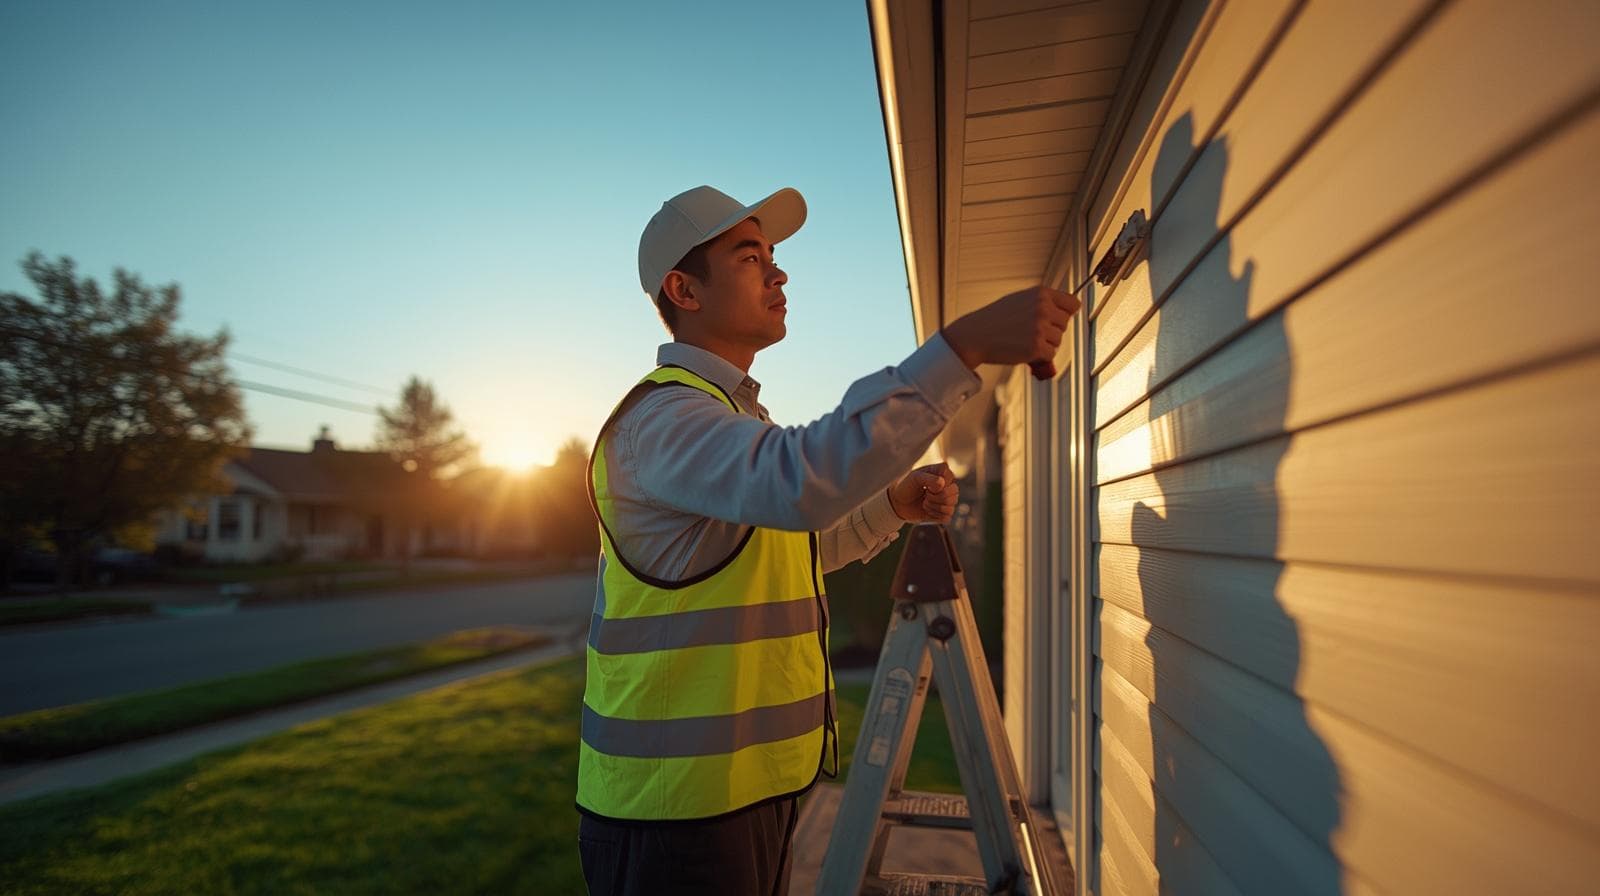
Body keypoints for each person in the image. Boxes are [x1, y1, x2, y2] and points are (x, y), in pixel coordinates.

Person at [576, 185, 1079, 895]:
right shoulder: (660, 422)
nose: (778, 273)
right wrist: (961, 348)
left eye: (774, 256)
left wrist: (891, 508)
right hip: (671, 816)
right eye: (750, 257)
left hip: (742, 798)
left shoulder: (725, 418)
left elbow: (793, 541)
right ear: (683, 288)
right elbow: (802, 479)